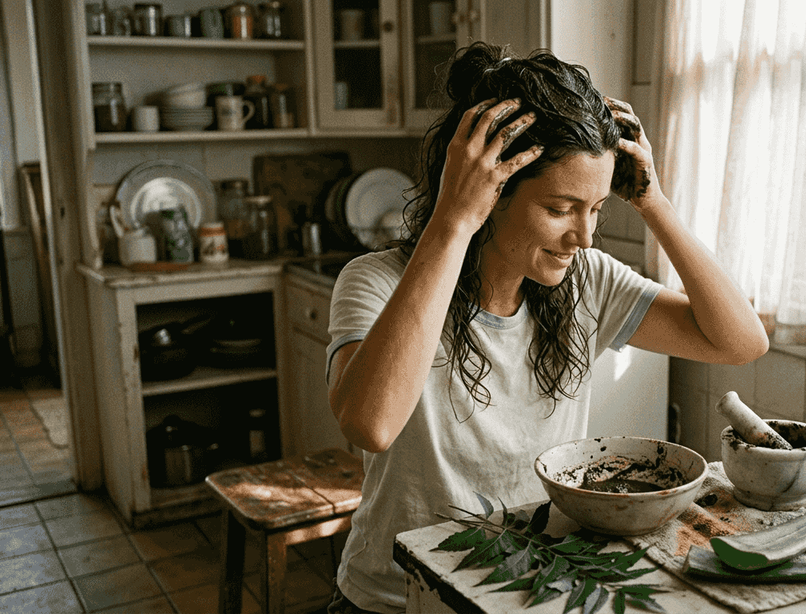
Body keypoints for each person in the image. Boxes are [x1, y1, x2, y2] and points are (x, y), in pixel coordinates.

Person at [325, 42, 769, 613]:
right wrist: (453, 218)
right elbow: (370, 425)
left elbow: (741, 342)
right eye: (560, 209)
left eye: (598, 209)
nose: (584, 237)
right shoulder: (376, 282)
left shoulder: (587, 281)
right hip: (396, 598)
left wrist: (654, 203)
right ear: (489, 189)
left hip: (526, 591)